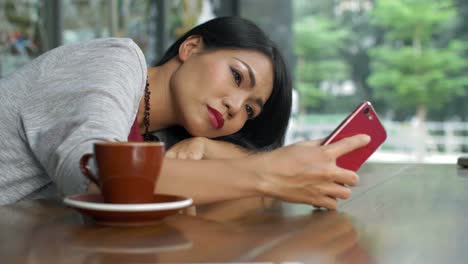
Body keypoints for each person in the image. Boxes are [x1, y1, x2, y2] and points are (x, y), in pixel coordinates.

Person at [0, 16, 369, 208]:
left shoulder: (156, 140)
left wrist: (207, 148)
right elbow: (98, 175)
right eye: (237, 76)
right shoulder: (113, 60)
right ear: (191, 47)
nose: (235, 107)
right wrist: (265, 174)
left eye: (251, 111)